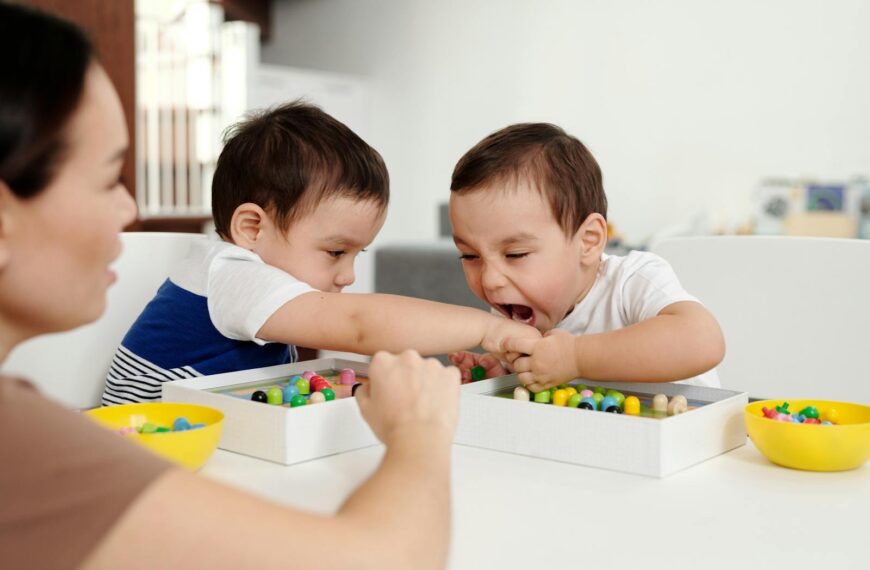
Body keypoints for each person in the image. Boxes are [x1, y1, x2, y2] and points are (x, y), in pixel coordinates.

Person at [0, 4, 457, 568]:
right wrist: (420, 435)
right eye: (106, 179)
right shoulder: (21, 445)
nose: (130, 208)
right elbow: (381, 559)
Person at [102, 100, 540, 405]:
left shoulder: (256, 277)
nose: (348, 275)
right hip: (144, 450)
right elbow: (359, 326)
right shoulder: (232, 274)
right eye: (335, 252)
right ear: (252, 228)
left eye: (357, 253)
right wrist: (486, 329)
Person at [447, 123, 725, 392]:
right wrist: (501, 377)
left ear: (588, 242)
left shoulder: (632, 282)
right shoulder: (513, 309)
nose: (490, 279)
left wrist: (575, 358)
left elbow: (702, 340)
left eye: (515, 254)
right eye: (470, 255)